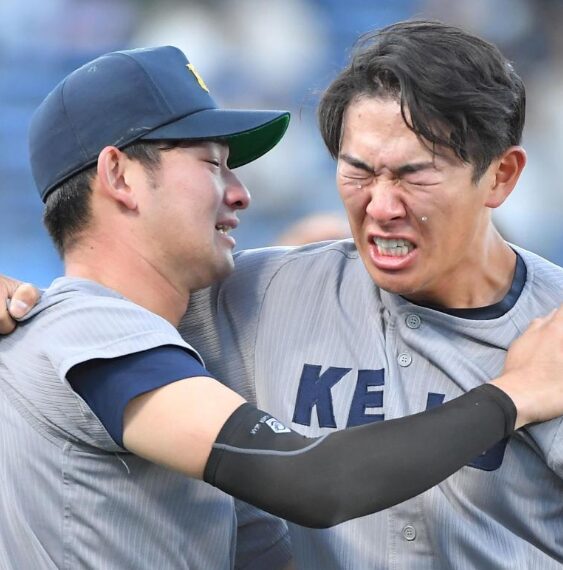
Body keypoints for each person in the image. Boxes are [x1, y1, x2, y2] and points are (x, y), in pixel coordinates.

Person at [0, 29, 562, 570]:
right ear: (118, 176)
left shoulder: (552, 323)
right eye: (358, 171)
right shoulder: (234, 302)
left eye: (416, 174)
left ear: (501, 176)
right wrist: (511, 397)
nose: (382, 204)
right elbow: (313, 479)